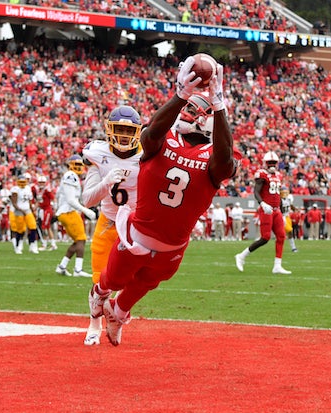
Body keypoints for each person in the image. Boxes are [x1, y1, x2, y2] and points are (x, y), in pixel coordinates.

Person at [87, 56, 235, 346]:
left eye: (196, 107)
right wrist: (180, 96)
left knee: (147, 283)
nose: (191, 111)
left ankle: (118, 311)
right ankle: (100, 293)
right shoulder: (162, 140)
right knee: (115, 281)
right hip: (137, 234)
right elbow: (152, 131)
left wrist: (219, 106)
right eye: (189, 107)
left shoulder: (214, 157)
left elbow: (226, 160)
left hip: (173, 246)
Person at [81, 104, 143, 346]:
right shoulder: (98, 153)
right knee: (99, 280)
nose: (124, 136)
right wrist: (106, 182)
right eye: (120, 130)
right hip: (108, 221)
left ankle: (116, 316)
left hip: (135, 223)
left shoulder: (146, 153)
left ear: (138, 132)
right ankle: (94, 324)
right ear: (109, 130)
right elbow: (88, 199)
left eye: (129, 131)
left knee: (134, 278)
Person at [234, 151, 291, 274]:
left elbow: (277, 195)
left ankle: (277, 266)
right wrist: (263, 204)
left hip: (276, 211)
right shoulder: (261, 174)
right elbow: (256, 192)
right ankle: (241, 256)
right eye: (269, 163)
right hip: (266, 210)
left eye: (273, 163)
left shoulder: (278, 175)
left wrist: (283, 212)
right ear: (265, 163)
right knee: (265, 237)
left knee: (281, 236)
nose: (271, 165)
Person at [55, 155, 96, 276]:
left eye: (79, 165)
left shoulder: (71, 176)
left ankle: (62, 266)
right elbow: (70, 200)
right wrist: (86, 211)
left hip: (68, 212)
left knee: (78, 241)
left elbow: (59, 196)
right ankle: (78, 269)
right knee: (81, 239)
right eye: (75, 165)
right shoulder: (70, 176)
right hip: (68, 212)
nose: (78, 167)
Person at [10, 172, 40, 254]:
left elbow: (30, 201)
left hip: (27, 210)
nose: (22, 184)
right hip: (19, 211)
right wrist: (21, 210)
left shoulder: (28, 188)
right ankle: (18, 246)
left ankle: (32, 245)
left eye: (24, 182)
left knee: (33, 226)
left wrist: (32, 210)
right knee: (21, 230)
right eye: (21, 182)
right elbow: (14, 203)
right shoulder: (15, 189)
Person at [35, 175, 58, 251]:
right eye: (40, 182)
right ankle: (52, 244)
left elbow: (53, 198)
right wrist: (34, 209)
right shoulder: (39, 190)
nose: (41, 184)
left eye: (42, 182)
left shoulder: (47, 190)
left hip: (47, 210)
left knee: (45, 227)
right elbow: (38, 202)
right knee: (46, 227)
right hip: (42, 210)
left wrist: (54, 208)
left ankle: (45, 244)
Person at [280, 186, 298, 252]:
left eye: (285, 192)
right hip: (282, 216)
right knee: (288, 231)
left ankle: (293, 247)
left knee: (290, 232)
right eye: (283, 192)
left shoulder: (288, 199)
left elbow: (291, 206)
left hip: (287, 216)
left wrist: (295, 209)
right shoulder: (279, 200)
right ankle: (293, 248)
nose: (284, 193)